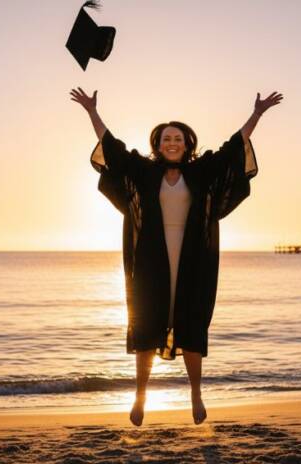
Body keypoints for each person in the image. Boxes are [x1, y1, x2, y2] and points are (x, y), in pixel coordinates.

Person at [71, 87, 282, 425]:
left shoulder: (201, 172)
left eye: (178, 139)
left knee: (192, 326)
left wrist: (257, 114)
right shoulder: (144, 171)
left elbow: (232, 149)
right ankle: (139, 398)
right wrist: (91, 112)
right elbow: (113, 149)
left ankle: (196, 394)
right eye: (167, 138)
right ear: (158, 144)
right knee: (145, 328)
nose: (172, 143)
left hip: (193, 262)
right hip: (151, 264)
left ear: (187, 145)